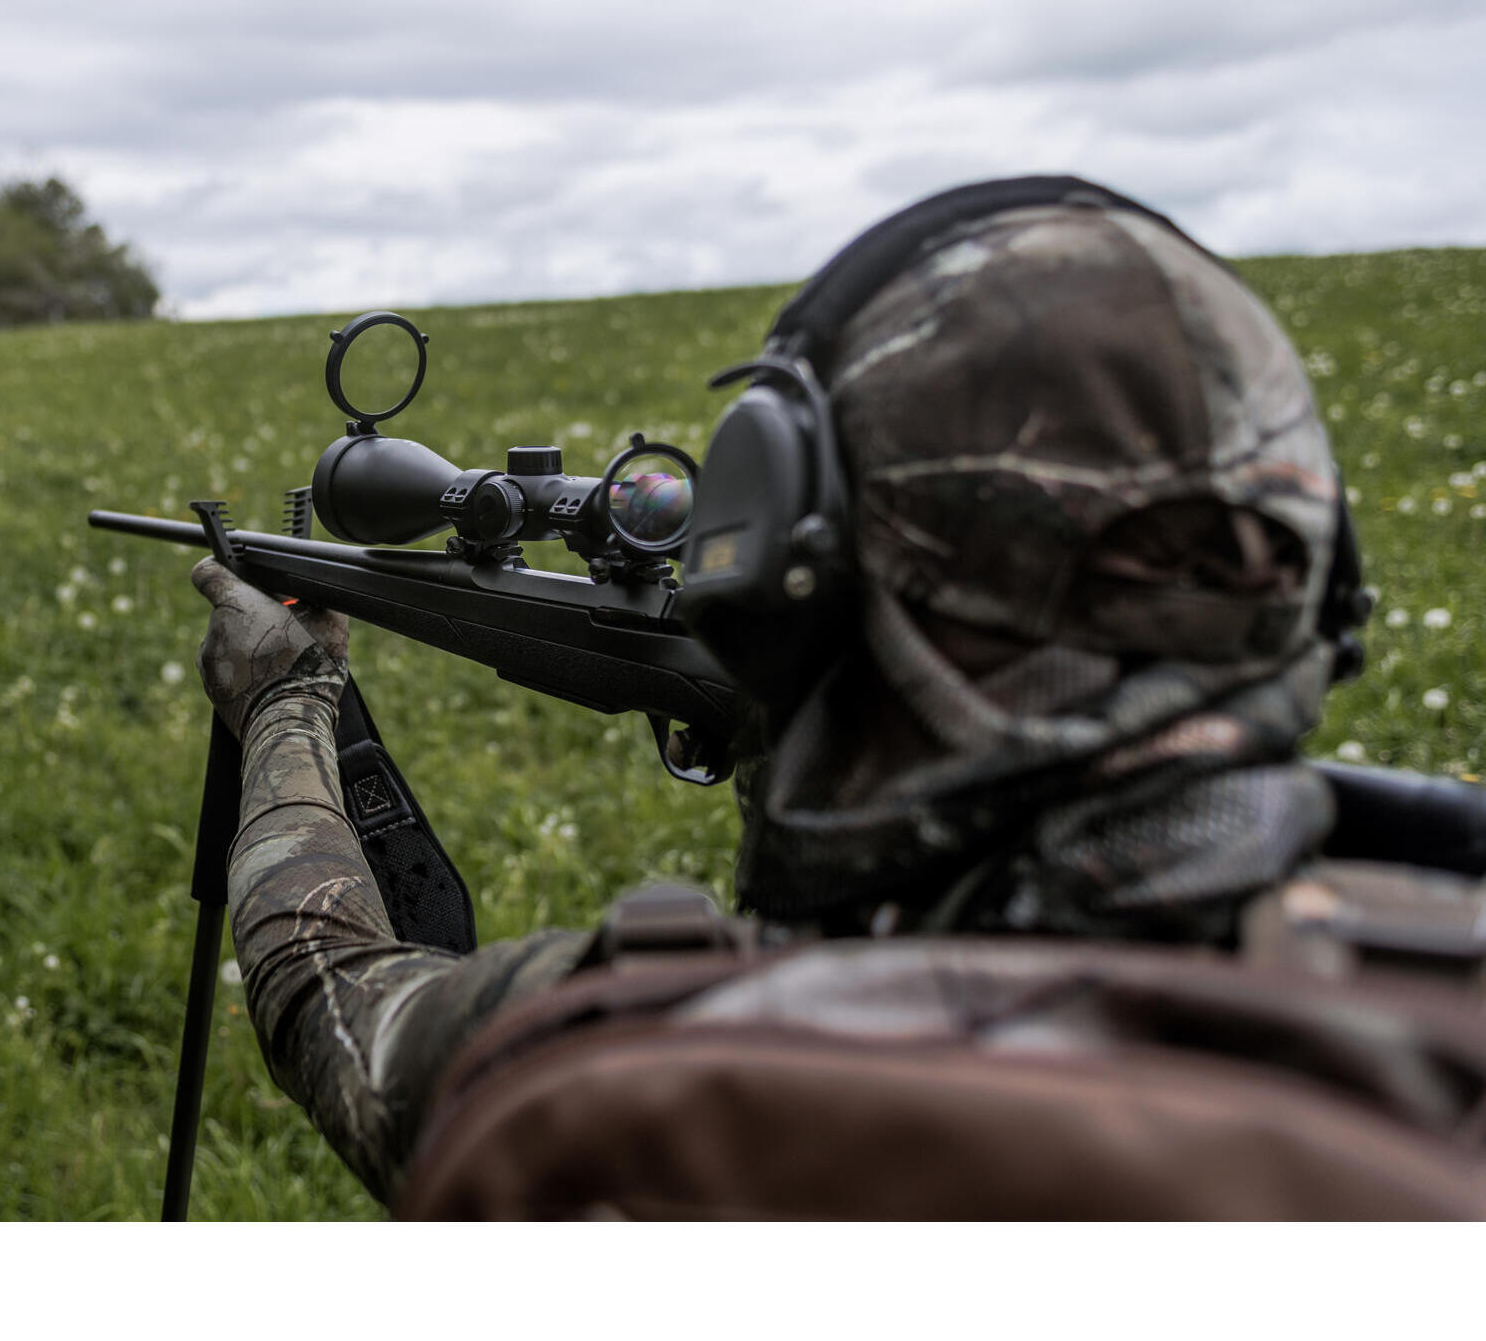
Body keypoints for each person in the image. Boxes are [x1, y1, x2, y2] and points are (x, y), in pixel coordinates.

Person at [188, 176, 1481, 1212]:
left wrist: (289, 698)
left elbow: (332, 1002)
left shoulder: (687, 1076)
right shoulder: (1427, 956)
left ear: (790, 563)